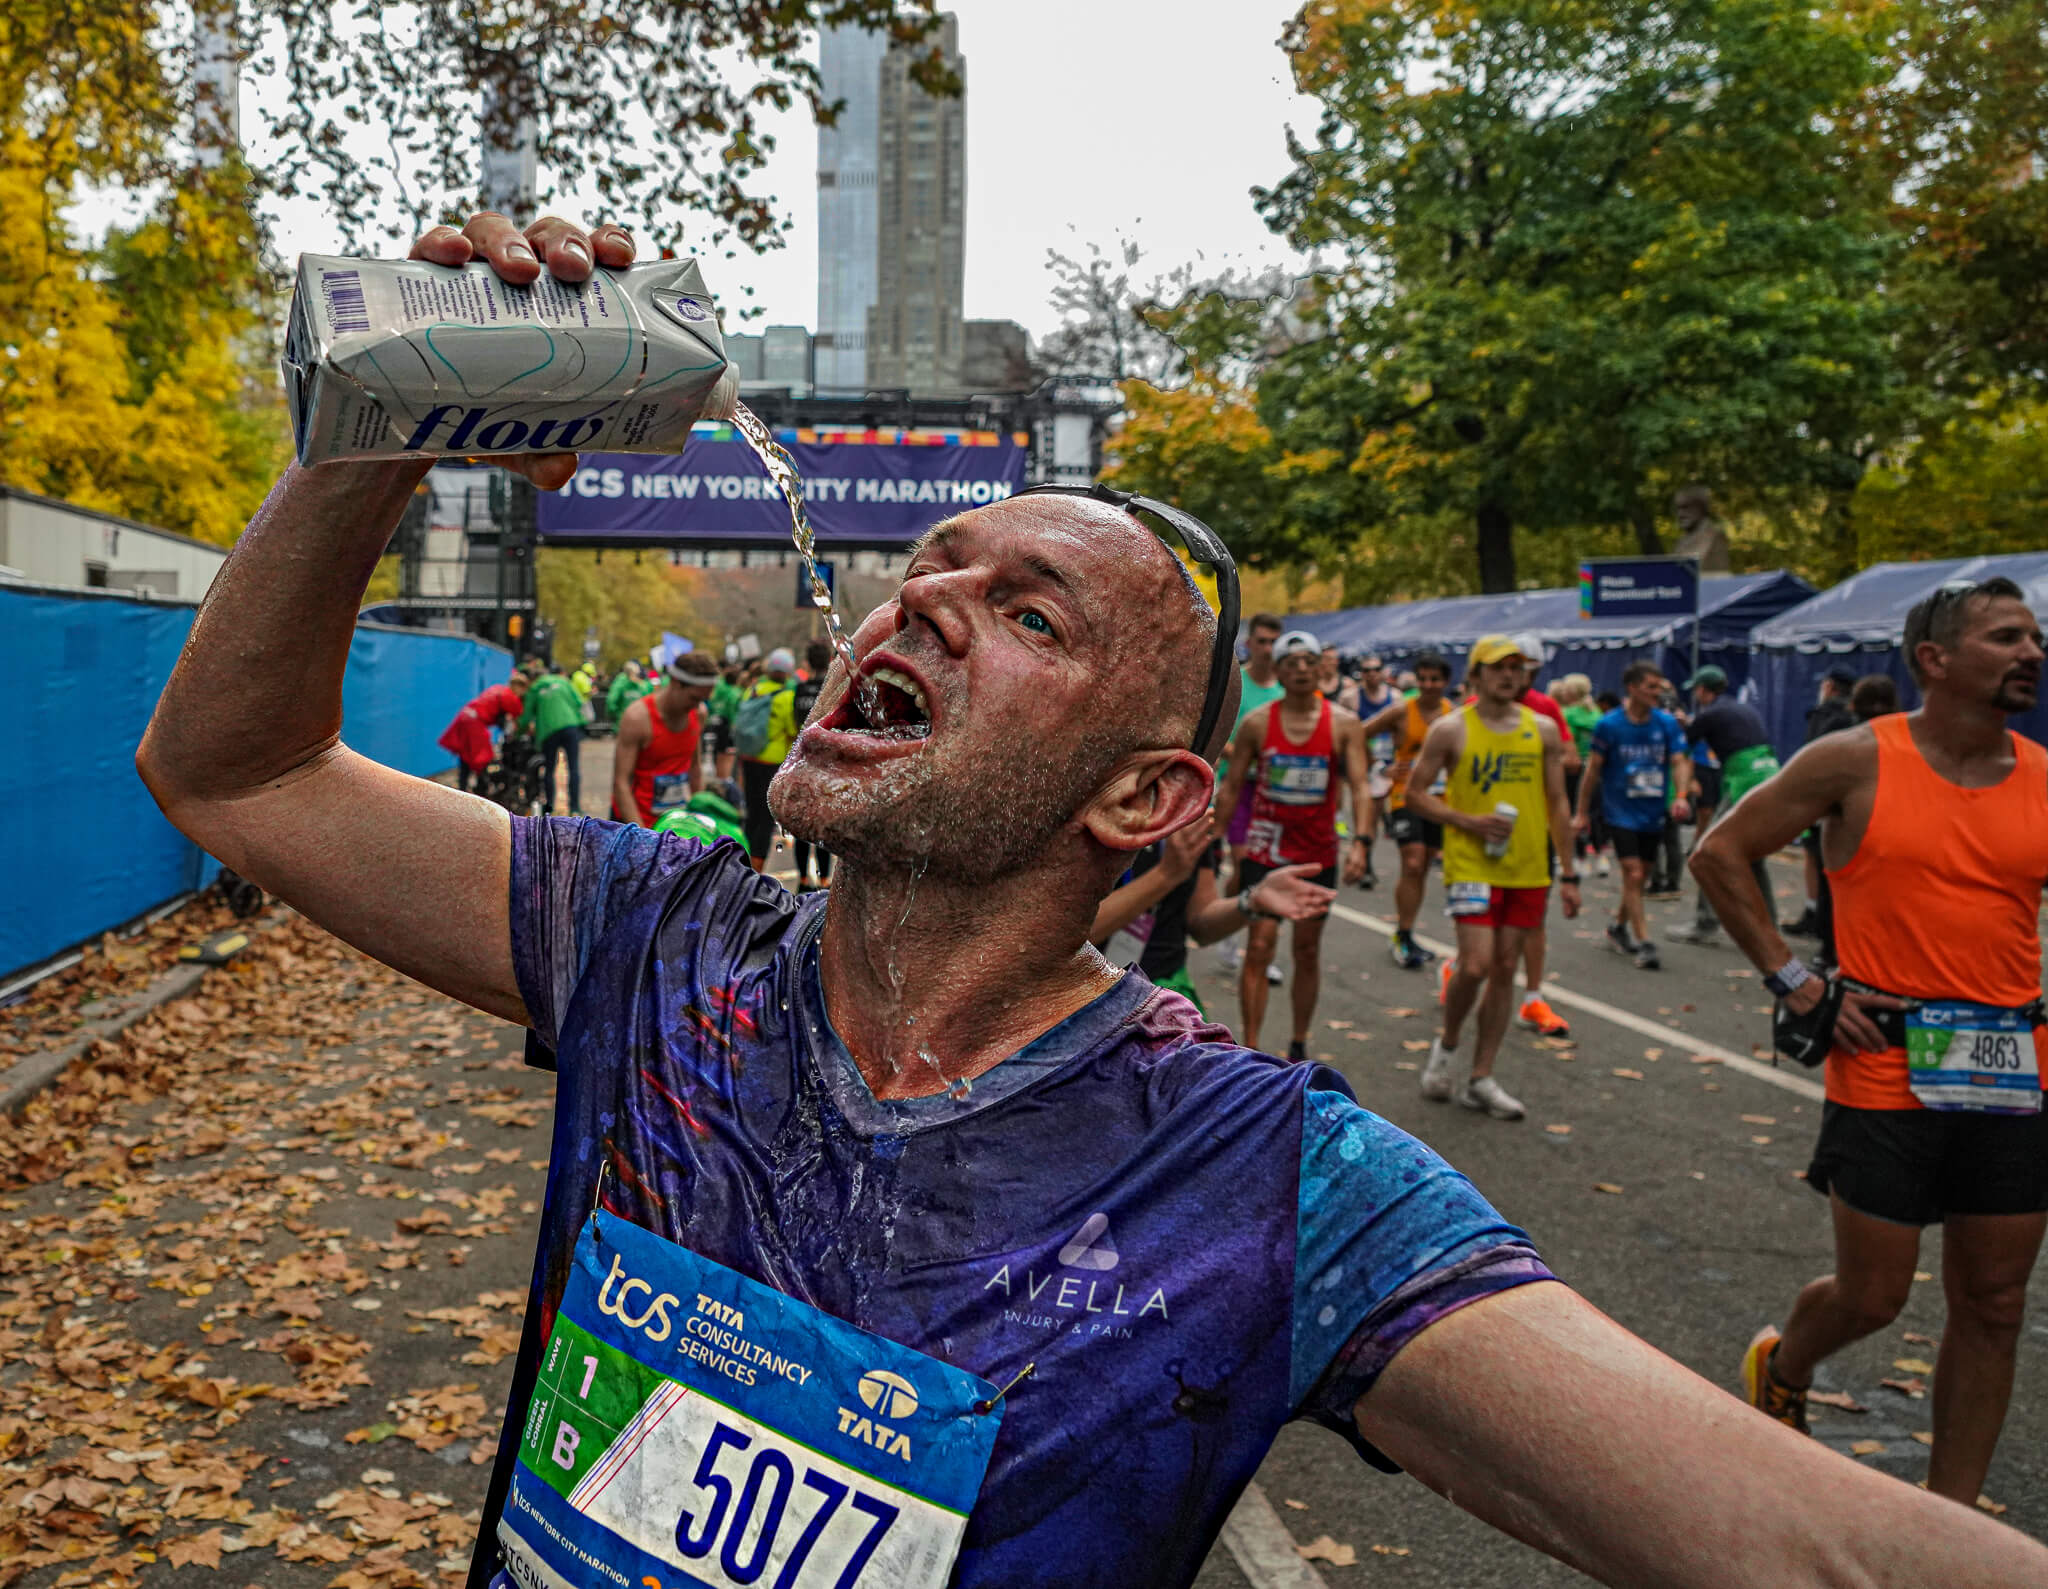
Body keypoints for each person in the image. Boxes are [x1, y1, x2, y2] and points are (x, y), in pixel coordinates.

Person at [133, 211, 2048, 1589]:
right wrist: (377, 449)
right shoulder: (659, 940)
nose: (922, 599)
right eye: (924, 573)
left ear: (1146, 797)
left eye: (1026, 609)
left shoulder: (1259, 1181)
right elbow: (236, 768)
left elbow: (1823, 1544)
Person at [1692, 576, 2048, 1512]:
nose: (2031, 653)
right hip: (1885, 1061)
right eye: (2007, 636)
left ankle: (1949, 1522)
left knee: (1994, 1303)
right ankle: (1786, 1360)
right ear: (1933, 659)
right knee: (1876, 1294)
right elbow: (1721, 852)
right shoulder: (1855, 760)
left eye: (2035, 637)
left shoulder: (2045, 779)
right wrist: (1795, 976)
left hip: (2013, 1069)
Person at [1404, 636, 1580, 1121]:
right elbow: (1416, 795)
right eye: (1497, 667)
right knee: (1476, 964)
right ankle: (1448, 1044)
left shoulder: (1543, 729)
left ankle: (1481, 1077)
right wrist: (1469, 822)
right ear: (1476, 676)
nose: (1508, 675)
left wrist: (1570, 871)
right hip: (1471, 863)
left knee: (1505, 968)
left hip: (1527, 867)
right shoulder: (1451, 729)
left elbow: (1558, 801)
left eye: (1516, 667)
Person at [1213, 630, 1373, 1059]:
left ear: (1322, 667)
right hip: (1267, 850)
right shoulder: (1257, 724)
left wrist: (1361, 842)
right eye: (1292, 662)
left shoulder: (1344, 724)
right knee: (1261, 945)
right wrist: (1215, 838)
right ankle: (1251, 1048)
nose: (1301, 669)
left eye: (1309, 661)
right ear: (1278, 671)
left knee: (1306, 948)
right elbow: (1231, 788)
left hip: (1317, 851)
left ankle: (1298, 1044)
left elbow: (1360, 786)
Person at [1089, 819, 1334, 1013]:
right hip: (1085, 994)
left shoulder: (1191, 814)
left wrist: (1251, 901)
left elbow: (1201, 925)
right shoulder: (1093, 807)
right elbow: (1069, 936)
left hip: (1162, 989)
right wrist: (1166, 875)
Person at [1575, 661, 1692, 970]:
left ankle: (1618, 927)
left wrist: (1680, 796)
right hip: (1619, 811)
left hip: (1652, 812)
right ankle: (1645, 943)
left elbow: (1680, 761)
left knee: (1641, 878)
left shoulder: (1665, 724)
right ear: (1632, 688)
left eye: (1659, 687)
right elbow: (1593, 770)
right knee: (1633, 873)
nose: (1657, 693)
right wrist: (1581, 812)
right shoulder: (1609, 725)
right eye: (1651, 687)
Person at [1669, 665, 1780, 946]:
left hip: (1746, 779)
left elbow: (1683, 747)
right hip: (1769, 772)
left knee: (1710, 850)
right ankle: (1770, 923)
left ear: (1704, 691)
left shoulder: (1708, 714)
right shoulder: (1740, 709)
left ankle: (1705, 923)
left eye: (1696, 690)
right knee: (1751, 854)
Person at [1358, 649, 1454, 970]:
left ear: (1445, 682)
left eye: (1435, 679)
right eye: (1423, 678)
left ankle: (1408, 931)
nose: (1428, 685)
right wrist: (1381, 766)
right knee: (1412, 863)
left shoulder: (1453, 715)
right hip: (1404, 798)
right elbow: (1357, 735)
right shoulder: (1401, 711)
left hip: (1441, 800)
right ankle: (1402, 933)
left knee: (1423, 866)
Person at [1504, 634, 1576, 1040]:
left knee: (1532, 920)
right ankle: (1461, 970)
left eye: (1527, 667)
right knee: (1484, 936)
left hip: (1533, 832)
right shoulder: (1473, 714)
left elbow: (1569, 757)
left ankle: (1532, 996)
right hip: (1483, 840)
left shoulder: (1545, 712)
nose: (1518, 675)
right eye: (1511, 666)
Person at [1215, 612, 1287, 979]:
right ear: (1250, 643)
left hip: (1274, 792)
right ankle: (1230, 928)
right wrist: (1243, 753)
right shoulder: (1236, 684)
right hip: (1238, 787)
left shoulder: (1286, 691)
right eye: (1261, 641)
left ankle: (1261, 947)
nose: (1267, 648)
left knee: (1271, 868)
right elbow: (1219, 734)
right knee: (1244, 863)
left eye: (1274, 641)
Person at [1786, 664, 1859, 944]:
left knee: (1817, 858)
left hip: (1821, 802)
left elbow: (1812, 756)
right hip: (1847, 801)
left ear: (1829, 687)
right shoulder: (1856, 716)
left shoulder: (1825, 715)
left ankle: (1818, 918)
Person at [610, 652, 718, 826]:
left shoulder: (698, 714)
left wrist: (698, 821)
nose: (697, 706)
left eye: (703, 700)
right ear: (675, 683)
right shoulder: (637, 718)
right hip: (634, 822)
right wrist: (643, 837)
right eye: (694, 698)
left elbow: (695, 768)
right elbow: (621, 783)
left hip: (674, 823)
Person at [735, 646, 800, 873]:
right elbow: (792, 729)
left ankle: (741, 860)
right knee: (765, 818)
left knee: (751, 814)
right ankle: (755, 869)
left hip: (748, 757)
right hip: (771, 762)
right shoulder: (785, 697)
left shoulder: (752, 690)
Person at [789, 640, 837, 892]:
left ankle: (804, 880)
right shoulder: (833, 687)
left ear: (807, 662)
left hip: (802, 759)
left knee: (800, 821)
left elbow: (795, 722)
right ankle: (825, 879)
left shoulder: (799, 688)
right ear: (830, 659)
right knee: (822, 821)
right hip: (827, 763)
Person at [437, 672, 527, 793]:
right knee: (482, 758)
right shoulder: (509, 696)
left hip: (465, 715)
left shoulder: (497, 688)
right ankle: (481, 790)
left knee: (466, 755)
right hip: (475, 722)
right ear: (520, 687)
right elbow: (519, 714)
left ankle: (462, 789)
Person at [1553, 673, 1606, 875]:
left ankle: (1580, 857)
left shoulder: (1566, 714)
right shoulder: (1596, 714)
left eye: (1566, 688)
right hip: (1596, 768)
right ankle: (1600, 856)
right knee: (1593, 813)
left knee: (1574, 812)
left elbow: (1562, 743)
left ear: (1572, 691)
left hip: (1572, 770)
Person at [519, 663, 587, 816]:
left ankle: (549, 808)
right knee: (573, 768)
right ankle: (575, 808)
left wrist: (519, 731)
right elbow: (578, 702)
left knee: (549, 769)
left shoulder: (535, 688)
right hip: (570, 726)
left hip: (548, 730)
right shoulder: (563, 682)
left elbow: (526, 715)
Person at [1353, 654, 1396, 889]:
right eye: (1366, 670)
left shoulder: (1395, 698)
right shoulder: (1352, 698)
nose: (1371, 673)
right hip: (1361, 763)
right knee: (1364, 813)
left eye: (1376, 669)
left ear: (1382, 671)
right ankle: (1365, 861)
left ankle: (1365, 857)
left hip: (1386, 765)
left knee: (1375, 815)